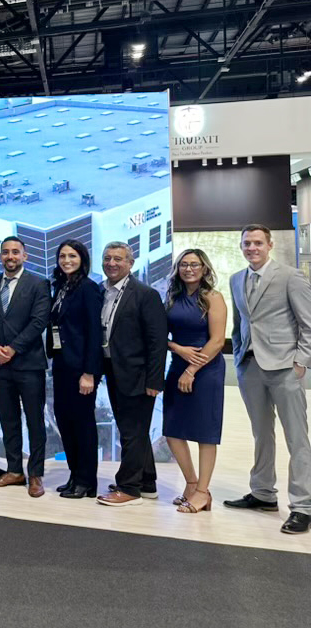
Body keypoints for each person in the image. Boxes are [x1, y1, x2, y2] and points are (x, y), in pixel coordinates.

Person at [225, 224, 311, 534]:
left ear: (270, 245)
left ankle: (303, 506)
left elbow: (308, 323)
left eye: (258, 243)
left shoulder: (290, 276)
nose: (252, 248)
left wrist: (300, 362)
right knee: (261, 434)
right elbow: (240, 324)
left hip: (284, 367)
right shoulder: (236, 279)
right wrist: (238, 355)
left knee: (297, 438)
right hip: (250, 367)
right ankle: (263, 493)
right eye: (247, 243)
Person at [0, 236, 51, 497]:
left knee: (35, 421)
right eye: (6, 252)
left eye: (16, 252)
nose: (10, 256)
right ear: (0, 256)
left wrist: (14, 348)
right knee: (8, 420)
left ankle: (36, 475)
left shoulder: (39, 284)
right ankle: (14, 471)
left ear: (24, 256)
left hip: (29, 364)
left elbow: (39, 321)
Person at [96, 242, 168, 507]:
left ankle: (129, 489)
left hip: (138, 375)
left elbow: (157, 341)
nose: (112, 263)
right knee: (134, 430)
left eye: (118, 259)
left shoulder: (145, 294)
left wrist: (154, 380)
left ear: (130, 263)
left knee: (132, 432)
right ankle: (147, 483)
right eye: (107, 258)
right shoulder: (100, 291)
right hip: (113, 372)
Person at [163, 249, 227, 514]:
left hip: (206, 369)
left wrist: (191, 370)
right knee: (172, 431)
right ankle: (191, 483)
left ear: (204, 269)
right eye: (184, 264)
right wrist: (178, 349)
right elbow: (160, 335)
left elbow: (218, 341)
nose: (188, 269)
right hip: (178, 364)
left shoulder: (213, 297)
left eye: (194, 264)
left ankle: (203, 492)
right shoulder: (172, 298)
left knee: (204, 432)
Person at [47, 240, 102, 499]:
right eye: (62, 256)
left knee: (82, 425)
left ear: (82, 259)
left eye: (72, 256)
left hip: (82, 369)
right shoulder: (61, 287)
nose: (67, 260)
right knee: (65, 422)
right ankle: (74, 475)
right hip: (62, 365)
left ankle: (86, 481)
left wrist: (89, 373)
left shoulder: (88, 288)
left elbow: (94, 333)